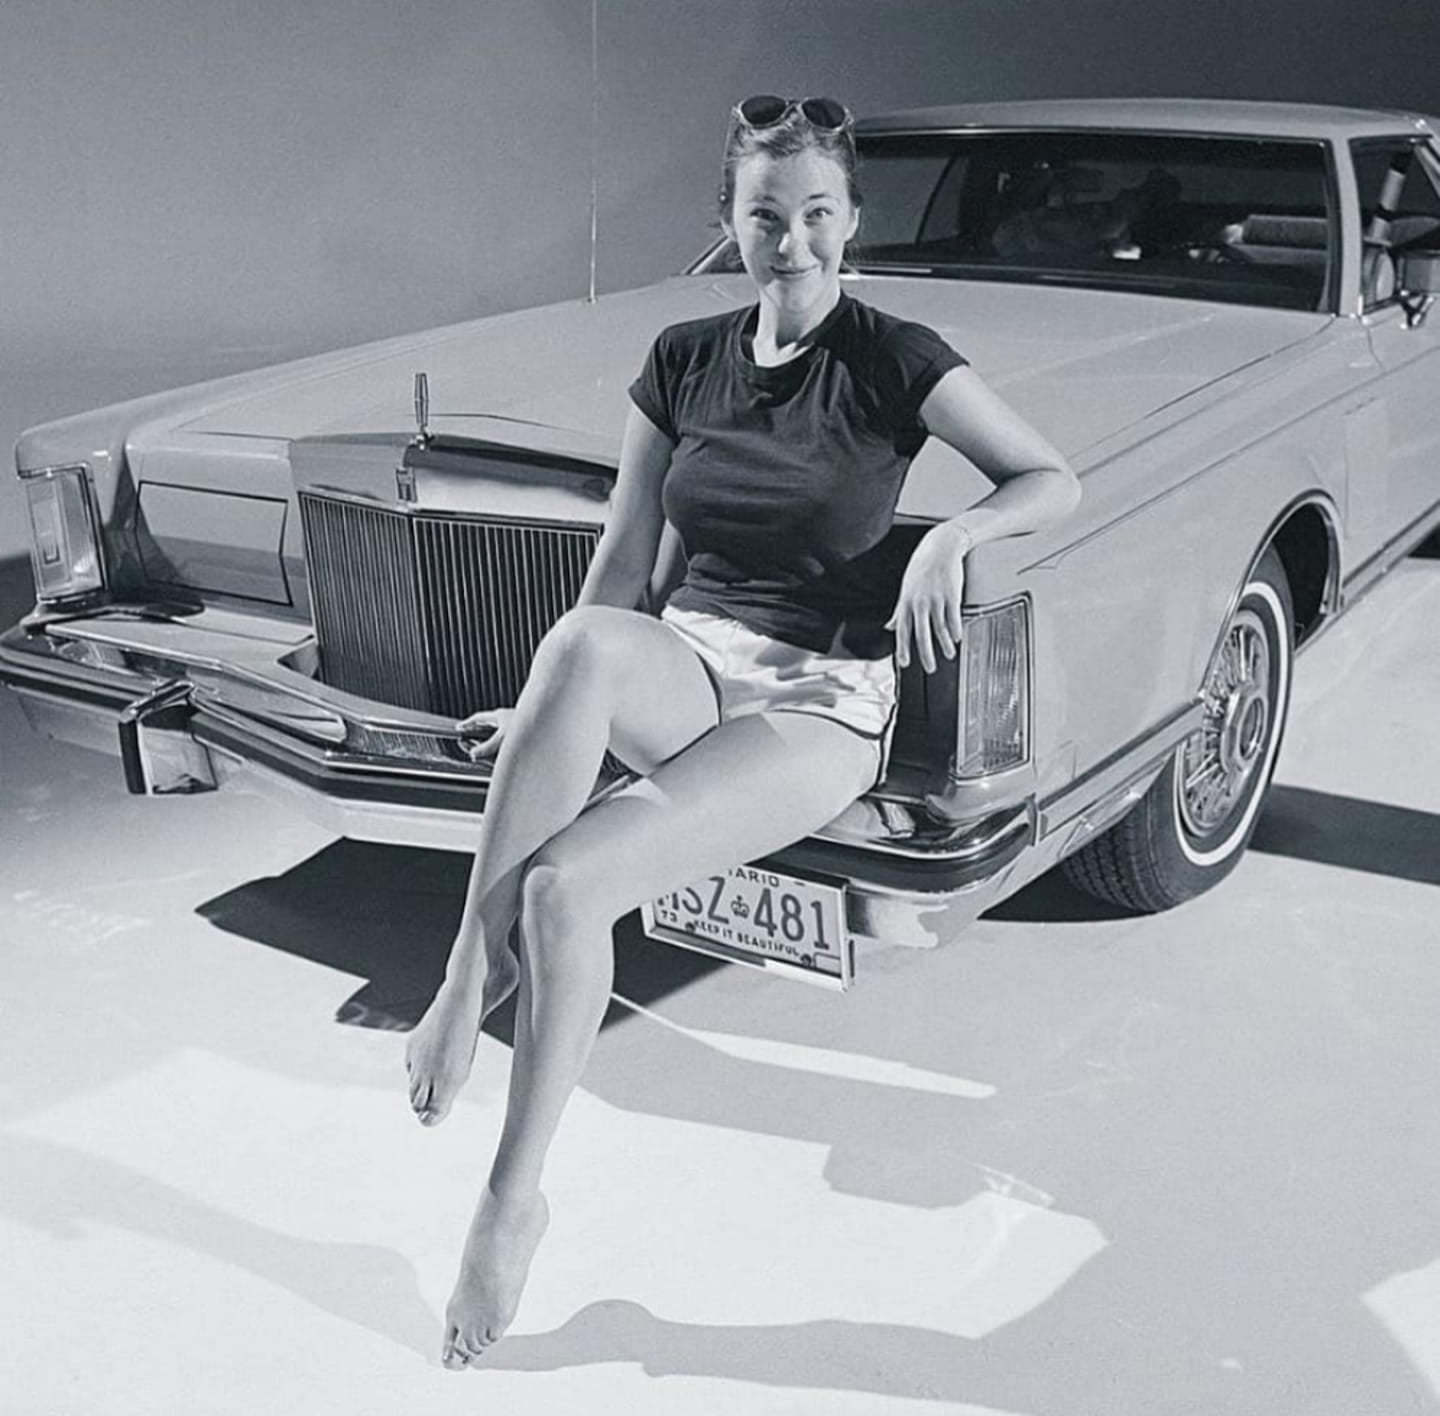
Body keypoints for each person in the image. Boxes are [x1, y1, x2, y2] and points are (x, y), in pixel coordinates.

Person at [402, 93, 1081, 1369]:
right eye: (766, 216)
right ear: (730, 221)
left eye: (818, 214)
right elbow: (623, 565)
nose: (794, 242)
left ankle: (507, 1203)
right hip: (696, 663)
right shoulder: (683, 358)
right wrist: (551, 710)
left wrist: (954, 533)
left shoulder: (891, 356)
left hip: (818, 699)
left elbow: (1052, 476)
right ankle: (461, 980)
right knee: (575, 645)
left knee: (562, 890)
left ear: (852, 220)